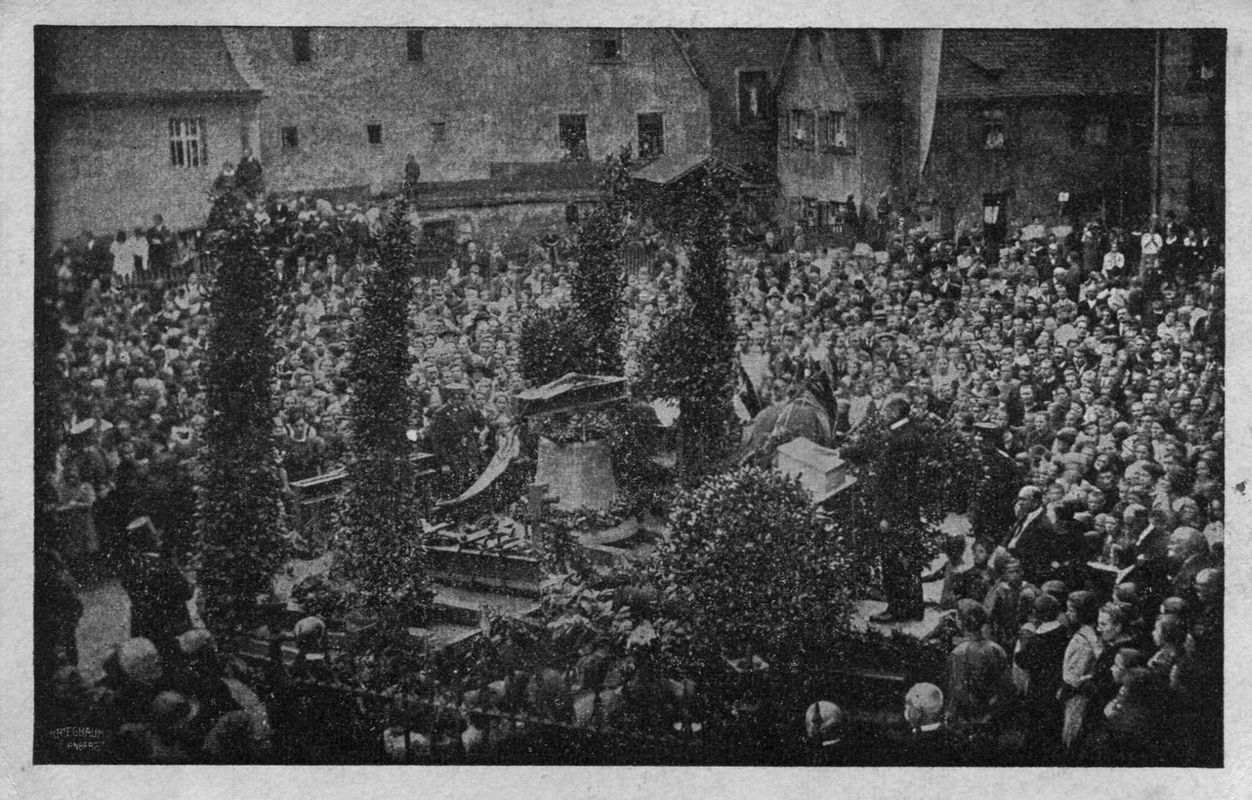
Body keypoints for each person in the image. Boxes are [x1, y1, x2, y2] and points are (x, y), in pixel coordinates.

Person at [868, 398, 925, 623]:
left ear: (894, 412)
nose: (882, 415)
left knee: (894, 561)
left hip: (897, 513)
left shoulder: (901, 440)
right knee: (908, 560)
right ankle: (913, 606)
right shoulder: (908, 433)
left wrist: (887, 516)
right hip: (907, 512)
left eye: (885, 411)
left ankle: (897, 608)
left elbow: (900, 484)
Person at [116, 517, 193, 663]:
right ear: (152, 539)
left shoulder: (130, 569)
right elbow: (186, 592)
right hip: (174, 628)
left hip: (147, 630)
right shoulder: (163, 566)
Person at [946, 600, 1011, 743]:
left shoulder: (959, 652)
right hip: (991, 712)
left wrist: (951, 715)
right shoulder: (996, 648)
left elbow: (958, 689)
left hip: (968, 717)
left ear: (961, 623)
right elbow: (1005, 684)